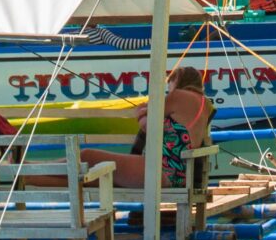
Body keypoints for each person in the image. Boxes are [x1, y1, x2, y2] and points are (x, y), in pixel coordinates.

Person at [58, 67, 215, 191]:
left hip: (163, 172)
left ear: (177, 80)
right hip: (182, 175)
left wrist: (140, 114)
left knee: (87, 156)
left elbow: (148, 126)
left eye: (170, 85)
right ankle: (34, 175)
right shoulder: (205, 104)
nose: (169, 90)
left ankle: (37, 169)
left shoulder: (179, 96)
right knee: (88, 180)